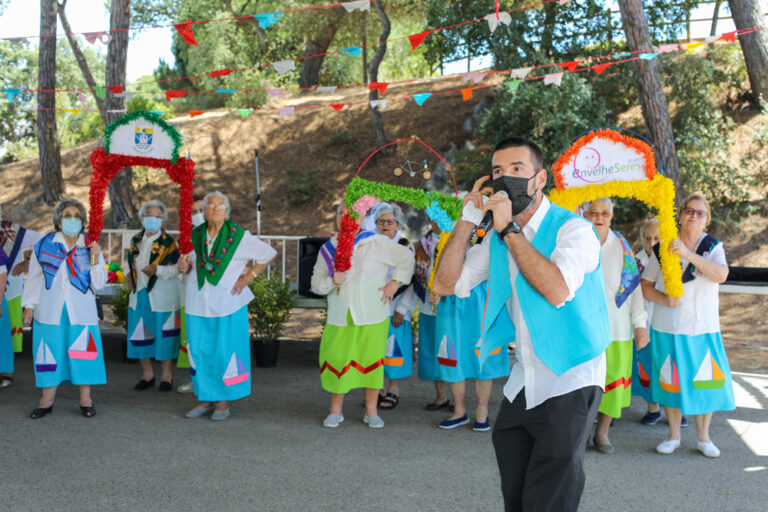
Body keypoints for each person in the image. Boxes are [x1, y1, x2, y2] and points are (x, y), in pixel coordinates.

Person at [434, 137, 610, 512]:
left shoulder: (574, 230)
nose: (506, 178)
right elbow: (445, 284)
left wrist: (510, 231)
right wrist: (466, 223)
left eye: (517, 169)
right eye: (498, 171)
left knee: (550, 498)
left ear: (539, 179)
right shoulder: (497, 239)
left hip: (572, 376)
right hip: (525, 377)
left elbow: (557, 289)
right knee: (516, 493)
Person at [641, 192, 734, 457]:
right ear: (680, 216)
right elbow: (646, 286)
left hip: (703, 327)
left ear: (706, 220)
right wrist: (664, 299)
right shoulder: (663, 248)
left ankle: (704, 438)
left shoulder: (713, 247)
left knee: (706, 381)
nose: (694, 215)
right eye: (689, 211)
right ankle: (673, 436)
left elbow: (721, 274)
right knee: (670, 382)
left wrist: (687, 254)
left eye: (699, 212)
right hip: (668, 327)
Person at [311, 202, 414, 428]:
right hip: (340, 315)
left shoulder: (376, 241)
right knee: (337, 359)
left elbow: (406, 259)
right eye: (340, 213)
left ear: (360, 218)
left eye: (350, 213)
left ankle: (371, 411)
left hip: (372, 314)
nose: (345, 217)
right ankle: (335, 411)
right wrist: (331, 281)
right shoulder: (328, 248)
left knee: (371, 362)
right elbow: (316, 284)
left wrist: (394, 284)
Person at [177, 191, 276, 421]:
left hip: (227, 305)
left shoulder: (238, 236)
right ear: (204, 211)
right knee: (199, 352)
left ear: (227, 211)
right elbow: (188, 264)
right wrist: (183, 266)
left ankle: (222, 401)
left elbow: (269, 253)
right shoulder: (194, 236)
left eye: (220, 205)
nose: (215, 208)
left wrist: (248, 276)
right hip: (197, 304)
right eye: (210, 204)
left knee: (223, 353)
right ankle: (204, 398)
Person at [21, 198, 107, 419]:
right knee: (49, 353)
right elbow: (34, 277)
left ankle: (86, 400)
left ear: (83, 222)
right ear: (59, 221)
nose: (72, 220)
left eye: (77, 216)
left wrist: (96, 257)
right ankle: (46, 401)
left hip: (81, 311)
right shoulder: (45, 244)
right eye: (67, 216)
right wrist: (29, 305)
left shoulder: (90, 246)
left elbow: (99, 284)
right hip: (50, 310)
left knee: (83, 353)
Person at [585, 198, 649, 454]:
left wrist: (640, 325)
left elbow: (634, 289)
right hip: (583, 327)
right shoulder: (575, 241)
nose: (599, 217)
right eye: (594, 212)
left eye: (605, 213)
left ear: (611, 216)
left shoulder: (622, 247)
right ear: (585, 215)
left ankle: (602, 433)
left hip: (617, 327)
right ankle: (580, 432)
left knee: (613, 381)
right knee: (582, 382)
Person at [126, 200, 182, 392]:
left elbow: (177, 269)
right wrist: (129, 278)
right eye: (149, 214)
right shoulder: (135, 240)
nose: (153, 219)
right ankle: (147, 375)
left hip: (162, 296)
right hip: (140, 295)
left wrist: (157, 269)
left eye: (158, 216)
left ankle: (167, 376)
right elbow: (130, 264)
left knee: (164, 336)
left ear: (163, 219)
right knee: (139, 334)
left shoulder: (169, 243)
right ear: (142, 218)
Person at [372, 203, 417, 410]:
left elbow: (412, 280)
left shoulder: (405, 246)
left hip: (396, 306)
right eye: (381, 221)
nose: (385, 225)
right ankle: (376, 388)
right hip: (374, 306)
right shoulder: (371, 243)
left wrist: (402, 308)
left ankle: (393, 388)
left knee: (394, 348)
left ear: (398, 224)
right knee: (375, 349)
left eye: (389, 222)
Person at [0, 206, 43, 388]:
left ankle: (5, 373)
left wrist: (28, 262)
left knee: (4, 332)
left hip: (9, 288)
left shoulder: (10, 231)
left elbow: (42, 240)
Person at [413, 221, 453, 411]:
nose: (438, 222)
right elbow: (417, 273)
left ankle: (458, 397)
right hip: (428, 306)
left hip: (450, 307)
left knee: (451, 352)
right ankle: (441, 396)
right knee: (431, 351)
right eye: (434, 217)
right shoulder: (422, 244)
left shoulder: (457, 240)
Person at [176, 193, 205, 394]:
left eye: (201, 210)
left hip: (212, 300)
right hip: (191, 297)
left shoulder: (222, 235)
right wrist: (184, 267)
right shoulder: (187, 238)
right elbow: (184, 268)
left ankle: (211, 381)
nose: (198, 214)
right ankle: (195, 379)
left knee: (208, 341)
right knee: (192, 340)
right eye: (194, 211)